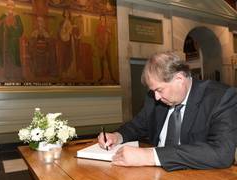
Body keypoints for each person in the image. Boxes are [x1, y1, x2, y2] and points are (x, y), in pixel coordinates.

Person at [98, 52, 237, 171]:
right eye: (153, 91)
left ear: (179, 79)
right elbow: (136, 126)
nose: (156, 97)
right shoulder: (155, 98)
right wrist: (116, 136)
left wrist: (150, 156)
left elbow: (221, 153)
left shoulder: (221, 98)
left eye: (159, 90)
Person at [0, 0, 23, 80]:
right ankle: (7, 75)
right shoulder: (4, 15)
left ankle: (16, 75)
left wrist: (12, 29)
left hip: (14, 41)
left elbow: (20, 29)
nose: (10, 6)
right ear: (7, 6)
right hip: (6, 41)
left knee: (14, 57)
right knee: (7, 57)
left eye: (12, 5)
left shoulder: (17, 16)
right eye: (8, 5)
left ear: (13, 7)